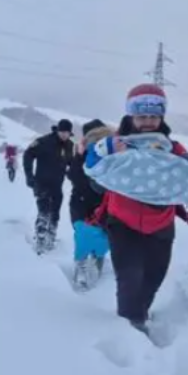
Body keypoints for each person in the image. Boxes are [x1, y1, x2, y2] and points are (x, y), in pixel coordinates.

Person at [85, 84, 188, 333]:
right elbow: (91, 161)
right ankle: (130, 328)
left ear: (161, 117)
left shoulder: (171, 148)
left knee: (154, 277)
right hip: (122, 222)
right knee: (129, 279)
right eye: (142, 116)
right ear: (130, 116)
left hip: (161, 224)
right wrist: (107, 152)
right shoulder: (115, 143)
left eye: (154, 116)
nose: (148, 122)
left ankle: (141, 312)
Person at [67, 119, 113, 289]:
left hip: (106, 205)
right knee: (83, 234)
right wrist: (79, 156)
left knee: (104, 237)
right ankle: (81, 264)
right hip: (81, 202)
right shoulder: (82, 154)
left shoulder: (113, 155)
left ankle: (97, 260)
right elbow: (74, 177)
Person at [23, 119, 74, 254]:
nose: (64, 135)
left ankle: (51, 237)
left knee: (55, 213)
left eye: (67, 132)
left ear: (70, 133)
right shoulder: (44, 142)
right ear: (57, 130)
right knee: (44, 212)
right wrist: (29, 176)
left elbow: (71, 164)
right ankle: (40, 240)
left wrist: (73, 176)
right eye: (62, 132)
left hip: (57, 185)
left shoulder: (69, 145)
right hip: (41, 183)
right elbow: (28, 154)